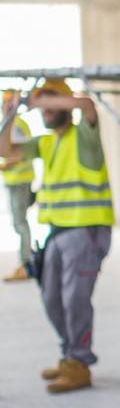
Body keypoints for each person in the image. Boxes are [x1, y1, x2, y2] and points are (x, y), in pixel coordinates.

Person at [0, 78, 113, 393]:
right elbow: (4, 149)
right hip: (56, 232)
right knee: (52, 299)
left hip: (87, 230)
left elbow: (87, 105)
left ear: (64, 103)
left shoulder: (84, 136)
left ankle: (80, 363)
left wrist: (40, 100)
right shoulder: (46, 142)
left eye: (52, 101)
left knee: (74, 299)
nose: (46, 110)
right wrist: (9, 114)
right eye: (42, 103)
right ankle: (69, 355)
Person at [1, 89, 35, 282]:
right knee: (18, 223)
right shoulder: (10, 124)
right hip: (14, 180)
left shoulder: (17, 125)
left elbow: (18, 152)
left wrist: (5, 164)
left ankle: (27, 263)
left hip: (20, 180)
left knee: (20, 223)